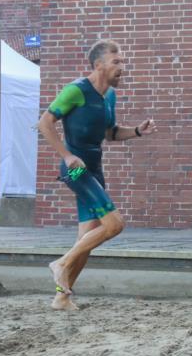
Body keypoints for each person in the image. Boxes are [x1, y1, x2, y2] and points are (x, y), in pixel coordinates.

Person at [37, 40, 156, 310]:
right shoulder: (76, 91)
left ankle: (62, 297)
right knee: (115, 225)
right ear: (98, 65)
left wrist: (137, 131)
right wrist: (67, 156)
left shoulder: (109, 96)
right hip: (77, 168)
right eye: (116, 62)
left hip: (95, 167)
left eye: (122, 61)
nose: (122, 67)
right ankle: (61, 263)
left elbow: (110, 133)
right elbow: (44, 123)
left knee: (86, 240)